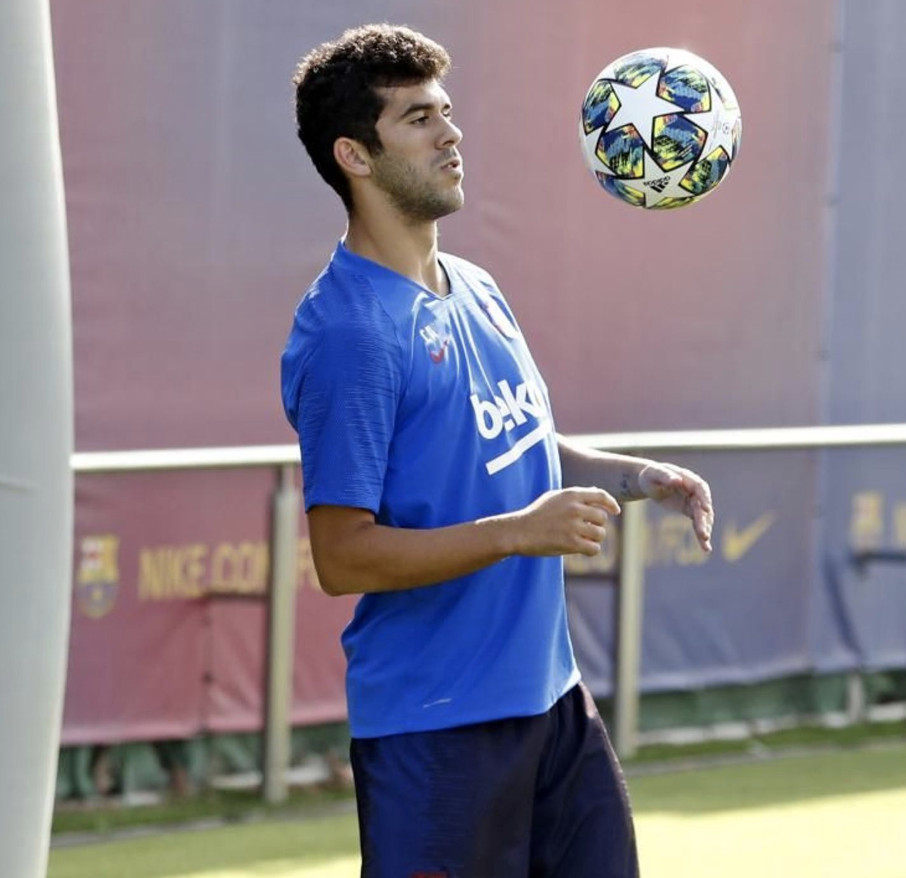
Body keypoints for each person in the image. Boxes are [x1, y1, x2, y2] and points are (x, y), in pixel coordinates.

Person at [282, 24, 714, 877]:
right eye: (417, 120)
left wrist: (636, 478)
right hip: (436, 730)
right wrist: (518, 531)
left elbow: (514, 440)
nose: (452, 134)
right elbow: (341, 555)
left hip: (553, 704)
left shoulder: (475, 286)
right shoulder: (351, 335)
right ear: (354, 156)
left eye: (447, 111)